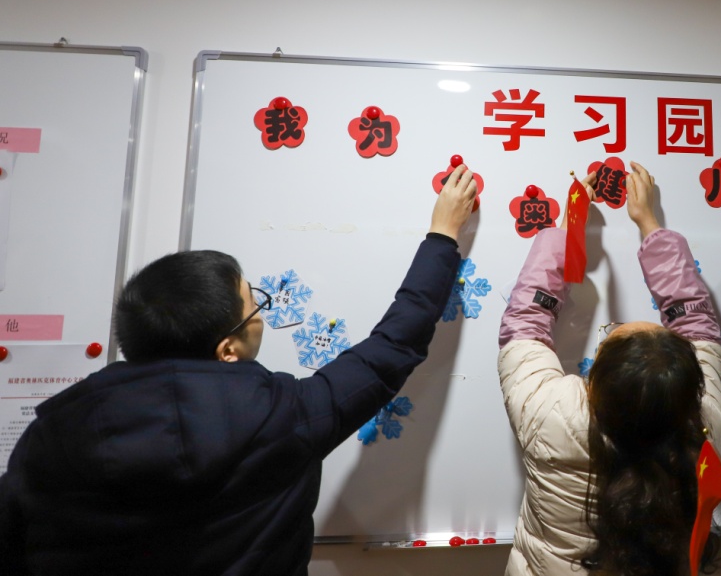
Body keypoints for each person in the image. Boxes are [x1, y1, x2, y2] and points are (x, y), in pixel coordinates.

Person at [0, 168, 478, 575]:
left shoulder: (52, 434)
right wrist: (443, 234)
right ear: (227, 349)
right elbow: (394, 344)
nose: (261, 315)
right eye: (254, 306)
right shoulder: (286, 416)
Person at [497, 162, 721, 576]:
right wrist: (650, 224)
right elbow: (696, 324)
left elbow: (526, 321)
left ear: (595, 383)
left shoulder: (548, 412)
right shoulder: (702, 425)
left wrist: (566, 232)